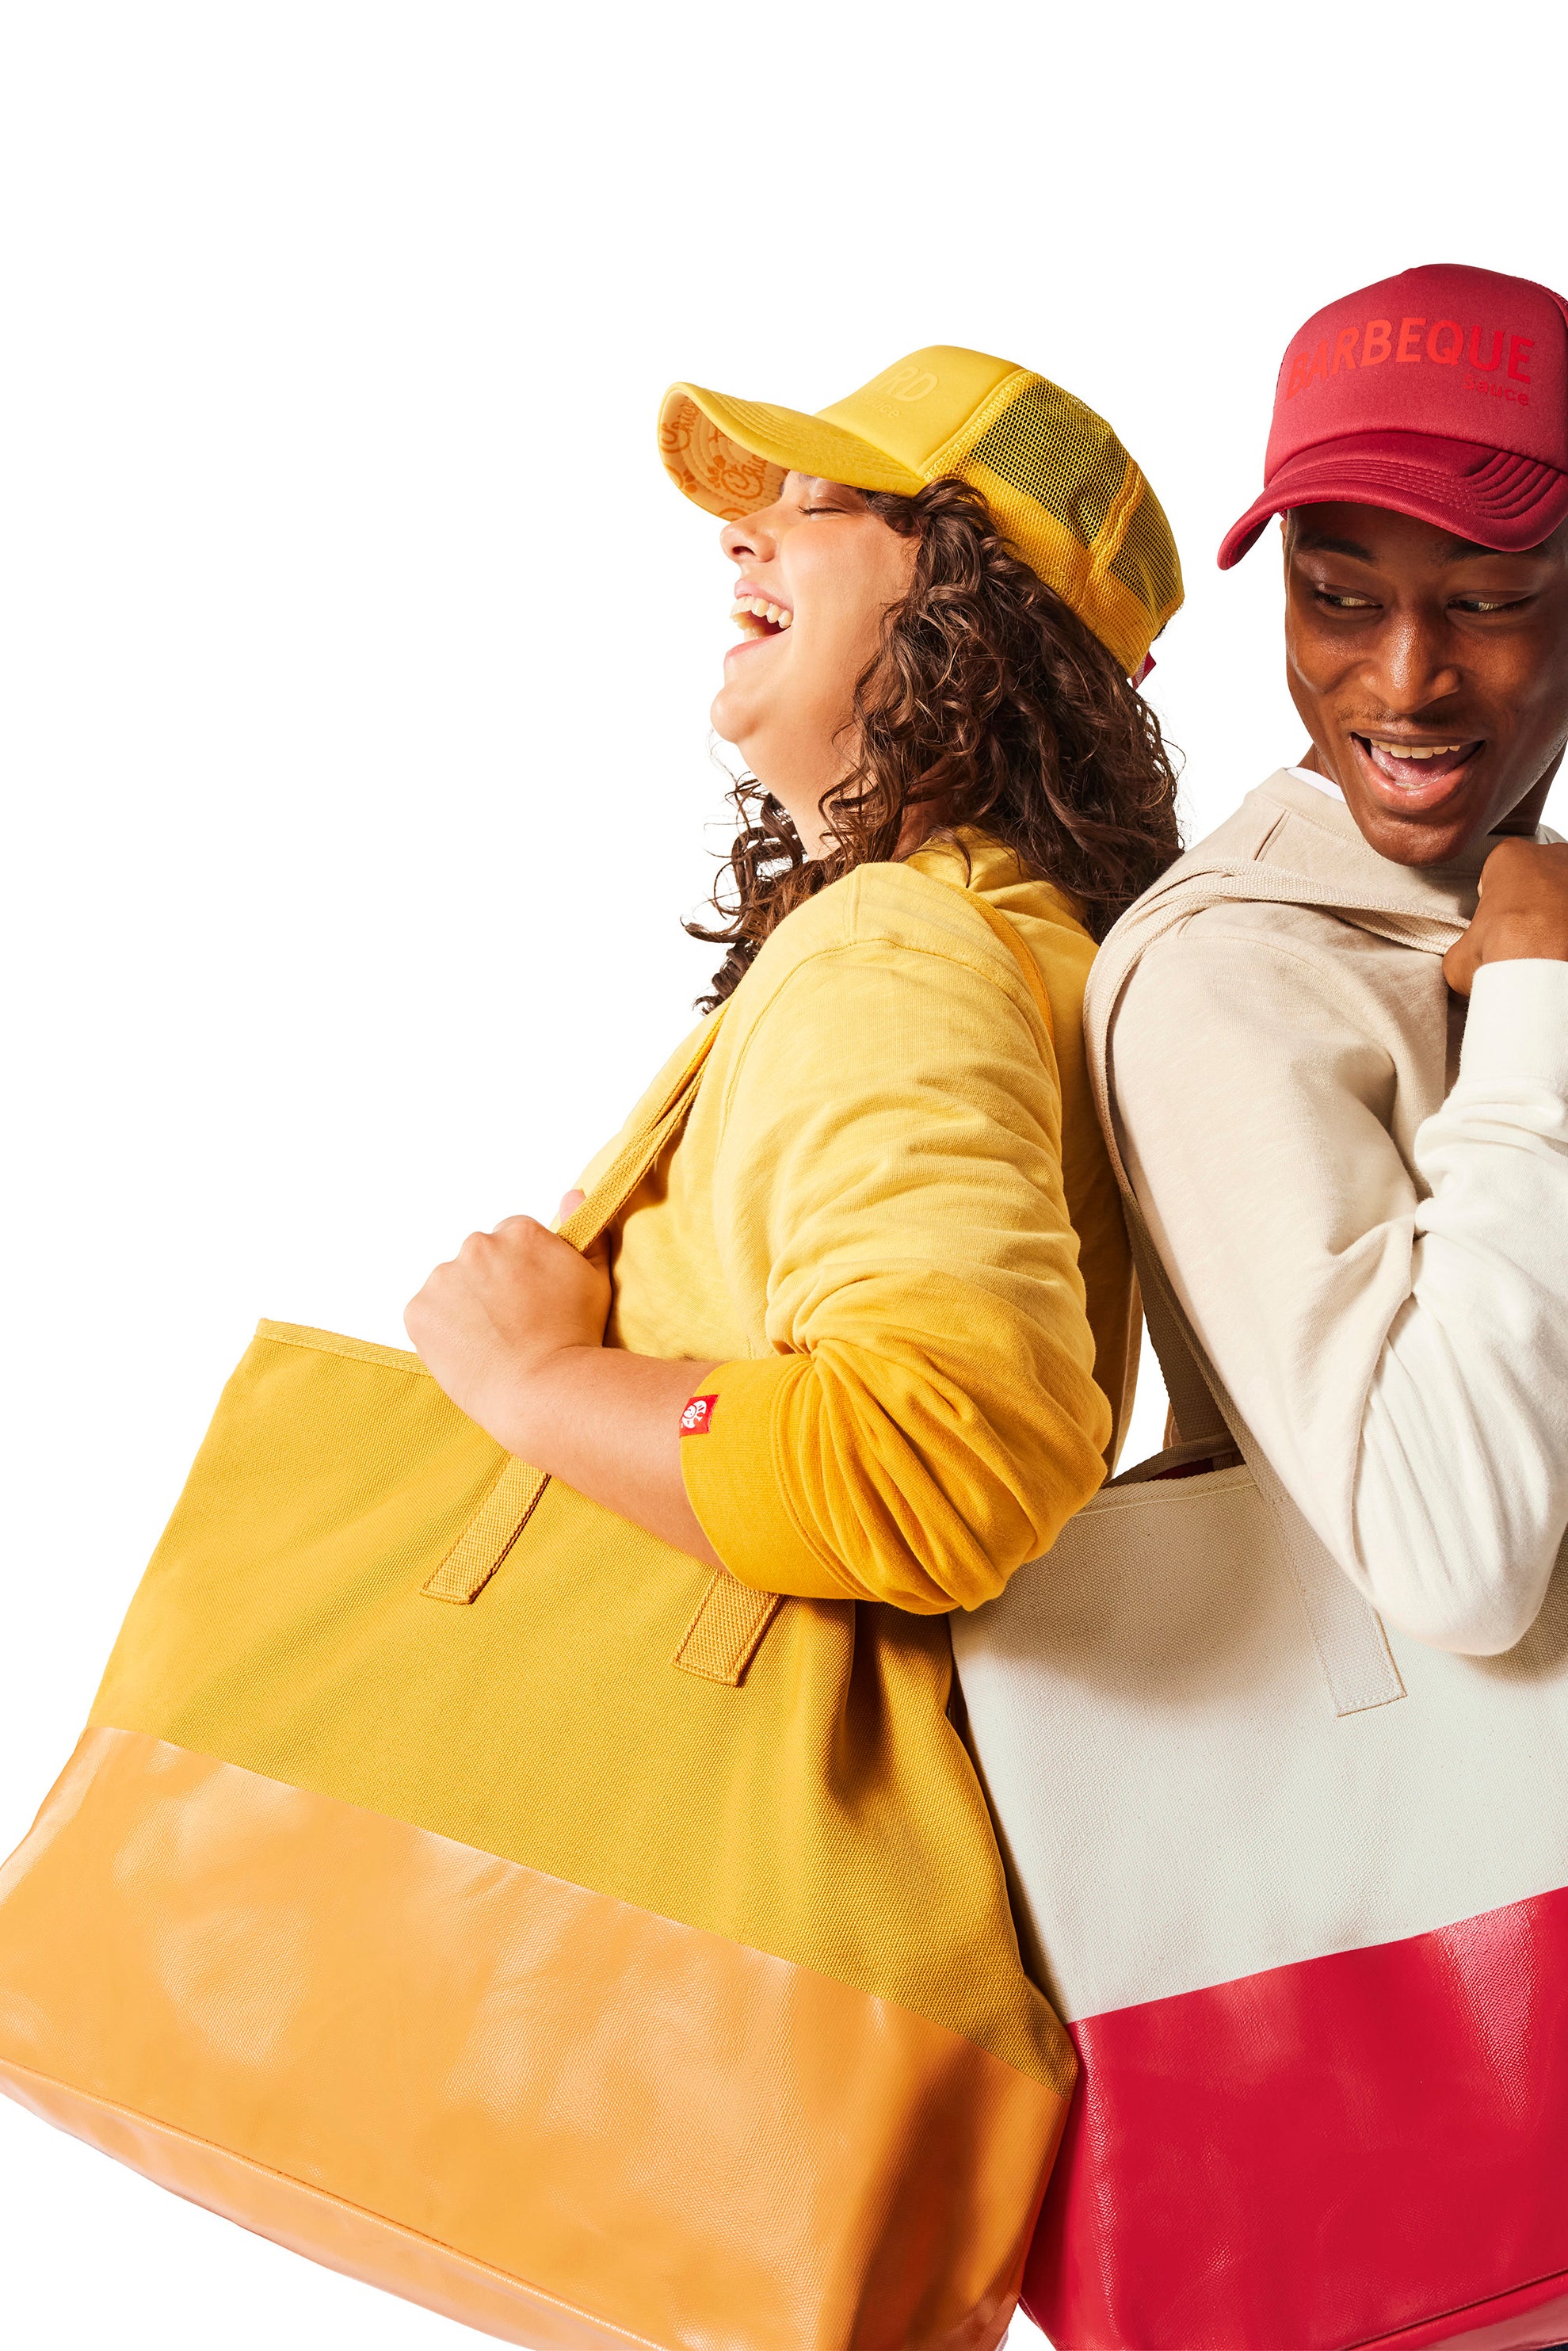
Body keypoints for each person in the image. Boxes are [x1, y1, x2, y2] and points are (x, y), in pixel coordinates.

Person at [402, 345, 1184, 1613]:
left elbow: (934, 1464)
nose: (739, 536)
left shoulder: (902, 946)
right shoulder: (1011, 935)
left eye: (818, 505)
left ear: (974, 611)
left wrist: (533, 1379)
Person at [1105, 261, 1568, 1656]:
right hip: (1468, 1854)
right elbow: (1455, 1568)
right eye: (1339, 596)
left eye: (1488, 602)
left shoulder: (1526, 897)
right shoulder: (1228, 979)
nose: (1407, 675)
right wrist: (1540, 995)